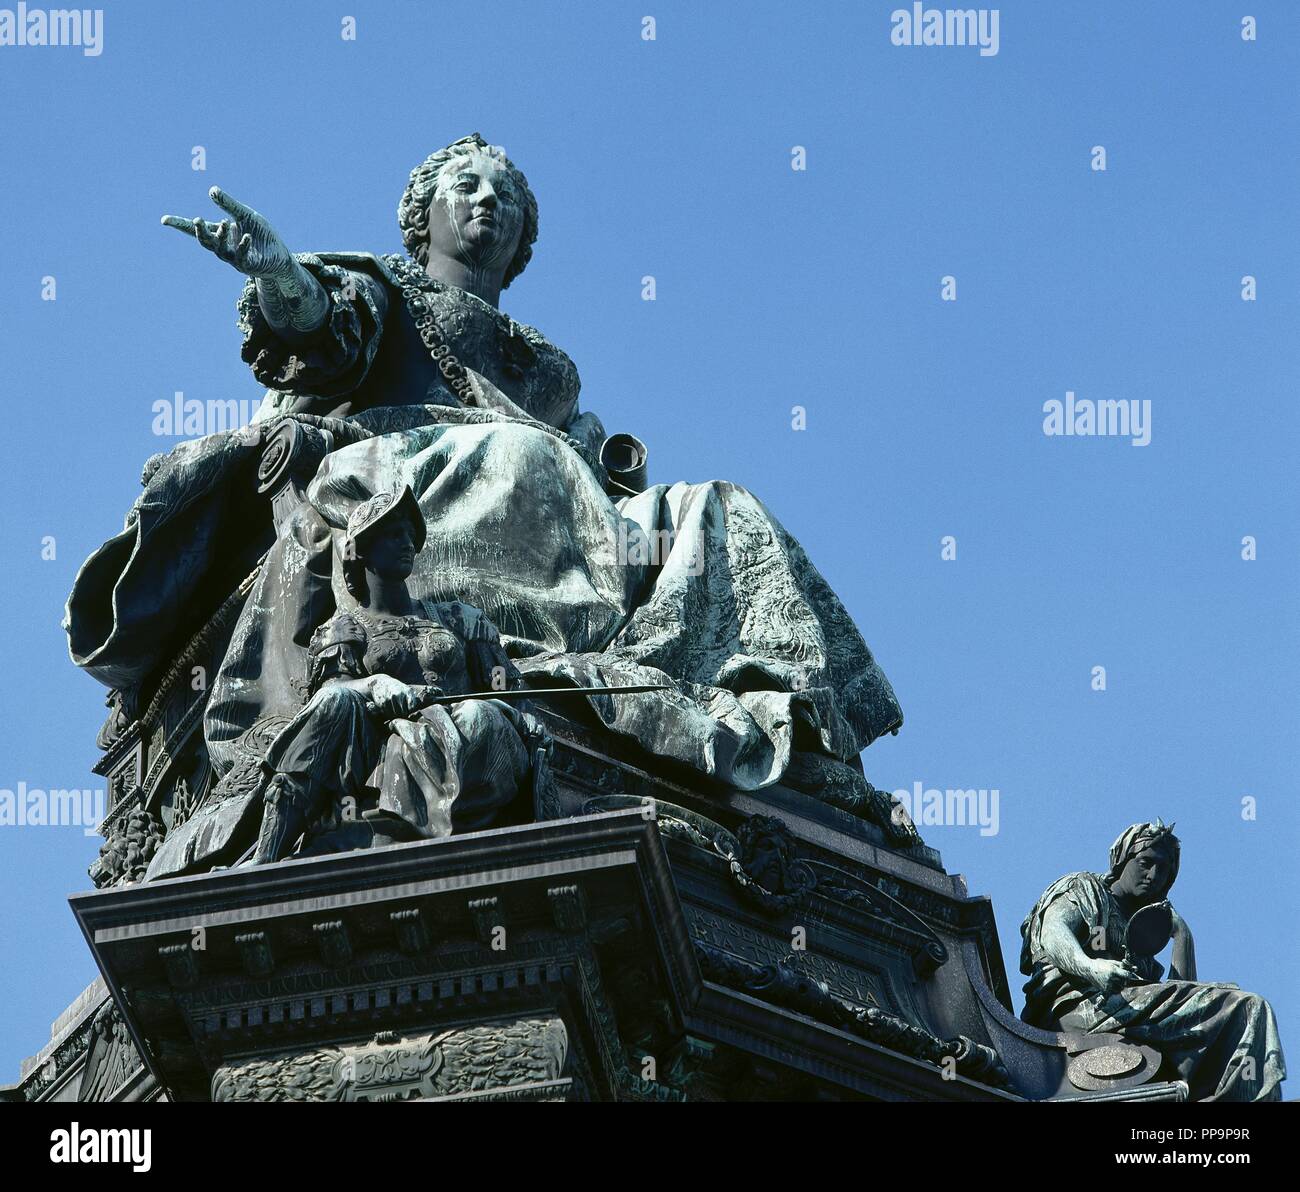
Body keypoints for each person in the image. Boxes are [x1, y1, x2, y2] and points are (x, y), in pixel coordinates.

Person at [252, 487, 535, 862]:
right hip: (381, 741)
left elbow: (510, 692)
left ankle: (447, 815)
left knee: (480, 714)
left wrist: (502, 711)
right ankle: (268, 853)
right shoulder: (343, 630)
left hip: (470, 741)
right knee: (337, 699)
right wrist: (374, 684)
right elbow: (323, 704)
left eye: (409, 535)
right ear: (362, 550)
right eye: (393, 534)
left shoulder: (461, 620)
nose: (407, 544)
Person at [1020, 820, 1286, 1101]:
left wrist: (1182, 935)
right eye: (1146, 862)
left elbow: (1183, 1000)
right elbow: (1053, 931)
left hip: (1122, 1010)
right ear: (1122, 860)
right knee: (1246, 1008)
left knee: (1243, 1010)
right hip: (1081, 1008)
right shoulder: (1086, 888)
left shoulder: (1139, 926)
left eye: (1164, 869)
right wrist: (1092, 967)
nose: (1154, 875)